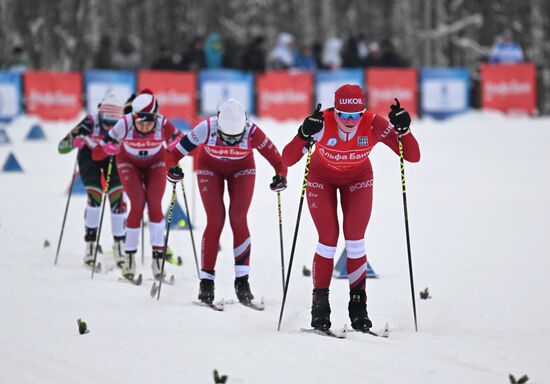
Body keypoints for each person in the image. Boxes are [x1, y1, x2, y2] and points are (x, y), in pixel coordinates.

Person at [282, 84, 420, 332]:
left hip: (358, 179)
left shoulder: (373, 123)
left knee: (355, 240)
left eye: (355, 115)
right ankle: (320, 306)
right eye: (343, 115)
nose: (349, 121)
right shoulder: (321, 122)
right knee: (328, 239)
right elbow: (287, 158)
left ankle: (358, 307)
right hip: (320, 179)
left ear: (363, 112)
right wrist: (304, 133)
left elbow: (412, 155)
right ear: (335, 111)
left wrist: (404, 130)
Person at [167, 99, 288, 304]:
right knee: (215, 220)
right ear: (219, 127)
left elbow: (278, 160)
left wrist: (280, 176)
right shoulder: (206, 128)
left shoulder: (252, 131)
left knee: (238, 218)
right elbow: (173, 153)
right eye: (226, 137)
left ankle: (242, 280)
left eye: (236, 137)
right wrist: (173, 168)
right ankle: (206, 282)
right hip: (210, 169)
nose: (231, 141)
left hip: (242, 170)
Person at [99, 89, 183, 281]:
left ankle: (158, 259)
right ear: (134, 117)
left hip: (155, 163)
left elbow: (181, 141)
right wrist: (109, 147)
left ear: (156, 117)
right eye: (140, 122)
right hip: (129, 162)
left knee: (154, 204)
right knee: (137, 204)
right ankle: (129, 258)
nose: (145, 127)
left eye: (149, 122)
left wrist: (174, 151)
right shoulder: (126, 122)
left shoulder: (162, 123)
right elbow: (105, 143)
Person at [57, 93, 126, 269]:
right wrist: (75, 141)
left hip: (112, 157)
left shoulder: (125, 125)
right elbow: (61, 148)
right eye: (106, 122)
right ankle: (90, 244)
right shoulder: (89, 122)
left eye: (114, 124)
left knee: (117, 197)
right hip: (90, 157)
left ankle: (120, 244)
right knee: (95, 195)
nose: (110, 127)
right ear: (99, 115)